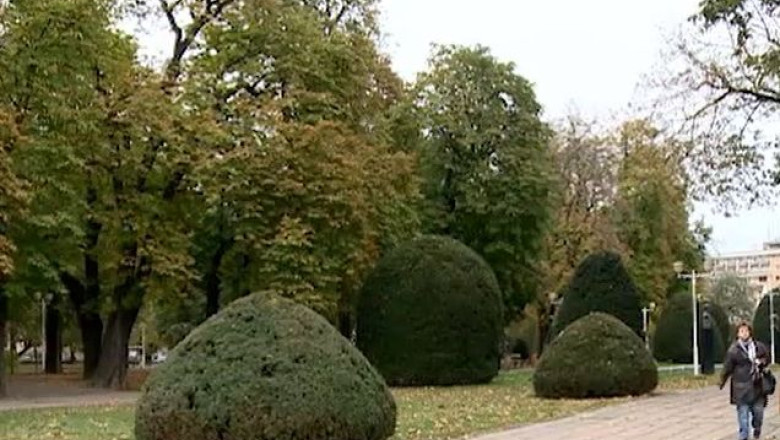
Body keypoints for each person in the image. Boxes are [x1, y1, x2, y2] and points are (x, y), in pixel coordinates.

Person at [720, 322, 770, 440]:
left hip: (757, 386)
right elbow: (727, 367)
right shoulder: (733, 350)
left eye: (746, 331)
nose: (744, 333)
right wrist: (722, 380)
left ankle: (757, 429)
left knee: (758, 413)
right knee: (743, 415)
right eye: (741, 331)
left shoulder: (759, 347)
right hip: (740, 388)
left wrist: (761, 362)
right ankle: (744, 436)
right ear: (737, 334)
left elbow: (767, 358)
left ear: (750, 332)